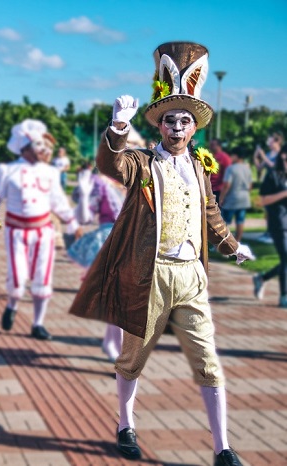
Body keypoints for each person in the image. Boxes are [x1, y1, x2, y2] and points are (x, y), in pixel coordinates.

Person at [68, 42, 254, 466]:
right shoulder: (142, 163)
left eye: (184, 120)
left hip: (191, 275)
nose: (177, 126)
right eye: (170, 119)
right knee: (133, 356)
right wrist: (116, 129)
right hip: (148, 275)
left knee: (208, 361)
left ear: (193, 128)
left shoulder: (202, 168)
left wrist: (230, 245)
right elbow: (111, 166)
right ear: (160, 125)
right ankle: (124, 423)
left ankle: (223, 447)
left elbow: (211, 213)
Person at [0, 119, 80, 340]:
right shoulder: (7, 170)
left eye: (48, 147)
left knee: (42, 278)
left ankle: (38, 323)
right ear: (25, 147)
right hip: (16, 233)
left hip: (44, 232)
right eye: (40, 145)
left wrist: (72, 222)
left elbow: (59, 201)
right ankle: (12, 305)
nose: (46, 150)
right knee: (18, 278)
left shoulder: (50, 172)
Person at [68, 172, 127, 361]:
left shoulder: (141, 175)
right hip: (110, 241)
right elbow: (85, 218)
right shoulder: (101, 183)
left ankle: (111, 343)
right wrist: (84, 195)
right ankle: (117, 351)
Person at [252, 144, 287, 307]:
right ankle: (284, 297)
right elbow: (264, 200)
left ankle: (262, 278)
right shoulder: (273, 175)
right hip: (278, 222)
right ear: (283, 156)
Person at [218, 150, 252, 241]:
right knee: (240, 221)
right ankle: (238, 241)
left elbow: (227, 185)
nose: (230, 157)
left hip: (232, 198)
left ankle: (224, 242)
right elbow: (250, 186)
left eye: (232, 155)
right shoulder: (247, 168)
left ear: (237, 156)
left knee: (225, 222)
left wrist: (222, 197)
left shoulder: (231, 168)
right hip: (244, 198)